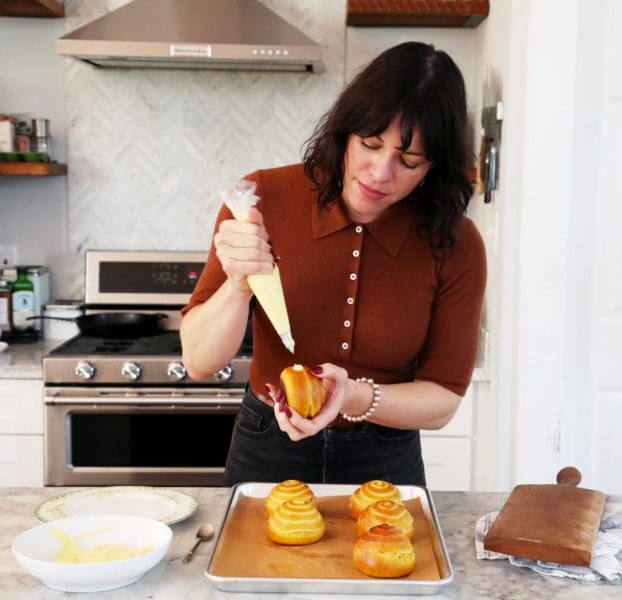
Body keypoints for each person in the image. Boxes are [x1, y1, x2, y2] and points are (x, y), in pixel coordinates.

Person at [180, 41, 487, 487]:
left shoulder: (455, 243)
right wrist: (236, 284)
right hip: (268, 445)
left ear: (433, 169)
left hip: (386, 456)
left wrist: (353, 395)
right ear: (344, 131)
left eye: (409, 160)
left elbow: (442, 402)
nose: (380, 173)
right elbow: (199, 362)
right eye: (370, 143)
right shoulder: (260, 201)